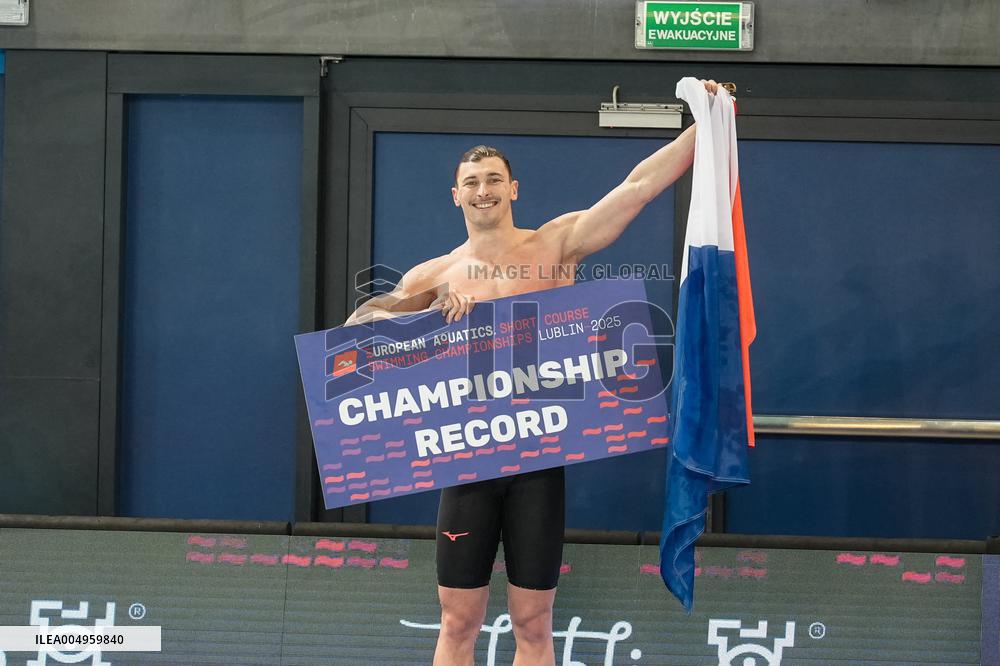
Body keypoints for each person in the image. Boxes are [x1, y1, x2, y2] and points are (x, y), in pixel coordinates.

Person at [345, 79, 720, 666]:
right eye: (473, 182)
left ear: (513, 188)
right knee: (457, 621)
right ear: (456, 195)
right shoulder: (433, 274)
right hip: (467, 458)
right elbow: (357, 326)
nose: (484, 190)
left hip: (538, 458)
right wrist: (426, 306)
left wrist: (708, 124)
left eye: (494, 179)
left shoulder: (555, 245)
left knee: (534, 622)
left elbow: (637, 188)